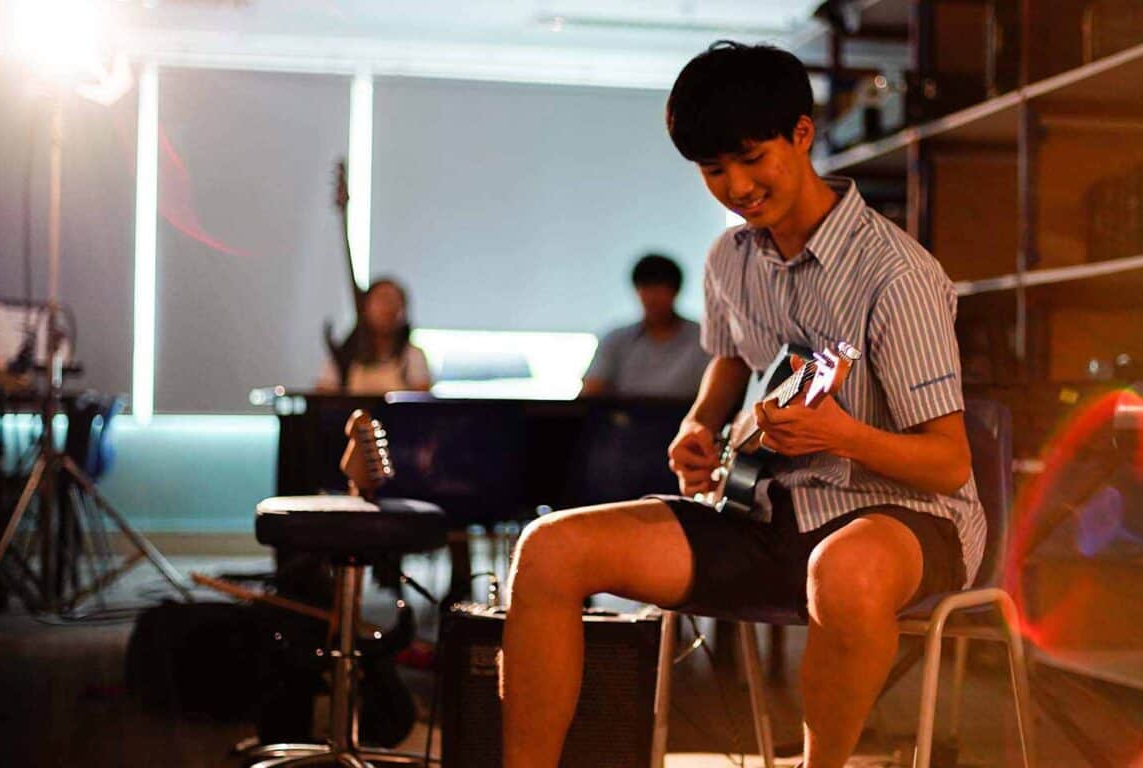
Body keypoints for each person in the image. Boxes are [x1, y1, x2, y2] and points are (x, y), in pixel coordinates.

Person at [500, 41, 985, 768]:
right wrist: (699, 424)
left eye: (752, 158)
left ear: (802, 133)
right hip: (766, 509)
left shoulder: (898, 275)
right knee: (547, 550)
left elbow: (949, 465)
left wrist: (842, 435)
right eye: (713, 170)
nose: (737, 186)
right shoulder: (731, 259)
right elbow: (729, 365)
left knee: (843, 574)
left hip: (904, 518)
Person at [580, 253, 711, 399]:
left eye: (660, 289)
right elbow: (591, 391)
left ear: (675, 291)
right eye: (646, 288)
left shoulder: (703, 339)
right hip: (625, 419)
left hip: (687, 418)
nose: (653, 297)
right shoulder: (616, 340)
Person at [317, 278, 432, 394]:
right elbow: (324, 399)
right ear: (365, 308)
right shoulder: (342, 357)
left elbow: (421, 403)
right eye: (382, 300)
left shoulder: (413, 356)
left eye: (395, 301)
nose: (388, 309)